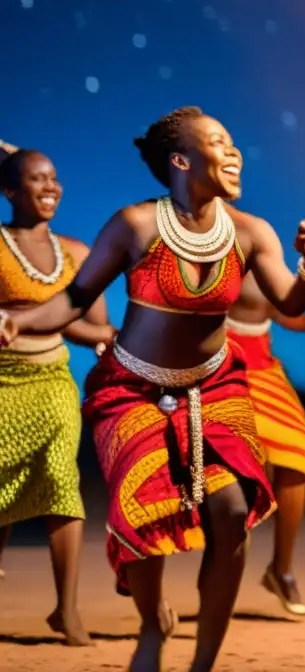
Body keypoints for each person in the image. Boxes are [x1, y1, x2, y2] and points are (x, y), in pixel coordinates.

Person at [0, 106, 305, 672]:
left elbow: (291, 301)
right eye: (218, 143)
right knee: (145, 512)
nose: (234, 153)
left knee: (231, 513)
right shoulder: (134, 225)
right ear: (181, 160)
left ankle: (203, 662)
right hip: (131, 388)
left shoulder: (252, 233)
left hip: (217, 387)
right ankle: (152, 623)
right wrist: (19, 321)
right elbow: (74, 300)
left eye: (234, 143)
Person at [0, 147, 115, 645]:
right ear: (9, 192)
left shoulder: (79, 253)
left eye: (54, 178)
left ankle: (66, 610)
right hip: (2, 383)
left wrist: (114, 339)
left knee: (62, 482)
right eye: (36, 179)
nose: (51, 187)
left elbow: (90, 328)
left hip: (53, 384)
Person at [226, 272, 305, 615]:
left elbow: (280, 311)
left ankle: (281, 570)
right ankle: (211, 572)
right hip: (220, 370)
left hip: (264, 371)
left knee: (297, 457)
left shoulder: (262, 251)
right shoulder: (211, 252)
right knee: (230, 471)